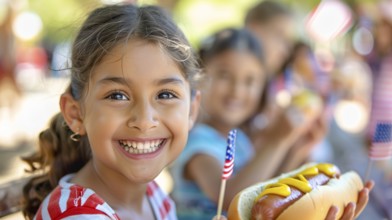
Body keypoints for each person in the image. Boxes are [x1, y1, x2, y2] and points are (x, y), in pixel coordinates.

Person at [21, 4, 203, 220]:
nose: (144, 121)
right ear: (75, 114)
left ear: (191, 110)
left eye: (165, 95)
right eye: (117, 96)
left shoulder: (155, 198)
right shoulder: (77, 217)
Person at [170, 27, 373, 220]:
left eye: (250, 81)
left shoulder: (240, 139)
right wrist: (277, 140)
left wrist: (297, 149)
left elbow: (264, 193)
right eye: (224, 75)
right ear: (199, 78)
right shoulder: (196, 142)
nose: (237, 91)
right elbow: (233, 200)